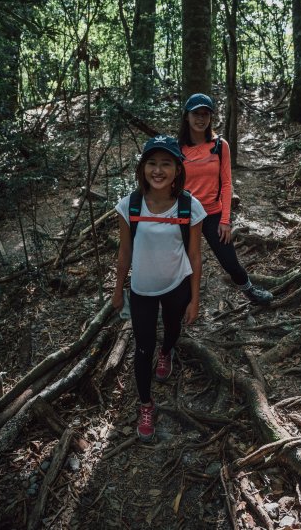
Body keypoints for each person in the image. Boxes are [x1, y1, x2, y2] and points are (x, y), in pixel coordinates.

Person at [112, 135, 206, 442]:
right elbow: (124, 252)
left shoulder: (189, 207)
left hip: (177, 284)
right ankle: (146, 404)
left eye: (166, 163)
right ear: (142, 168)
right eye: (152, 163)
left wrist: (195, 297)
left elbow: (194, 254)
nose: (158, 170)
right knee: (142, 347)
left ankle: (167, 352)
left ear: (177, 170)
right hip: (141, 290)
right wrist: (117, 290)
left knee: (173, 328)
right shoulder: (130, 205)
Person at [178, 93, 273, 305]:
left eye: (205, 114)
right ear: (187, 116)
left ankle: (250, 292)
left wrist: (225, 220)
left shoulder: (220, 146)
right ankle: (179, 303)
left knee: (229, 260)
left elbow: (227, 183)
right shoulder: (177, 149)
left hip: (213, 213)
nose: (200, 119)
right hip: (184, 215)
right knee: (180, 261)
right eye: (196, 114)